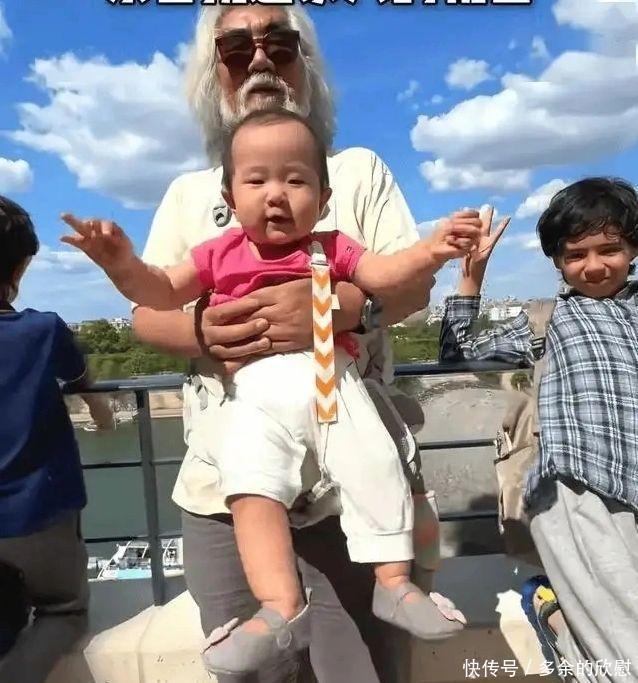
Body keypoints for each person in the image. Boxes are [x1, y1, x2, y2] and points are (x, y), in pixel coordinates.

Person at [62, 108, 478, 675]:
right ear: (229, 199)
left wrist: (433, 249)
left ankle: (393, 581)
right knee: (251, 489)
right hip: (255, 400)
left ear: (323, 199)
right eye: (256, 180)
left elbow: (386, 276)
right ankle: (280, 605)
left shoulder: (335, 247)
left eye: (295, 180)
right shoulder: (217, 254)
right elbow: (159, 292)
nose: (276, 194)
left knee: (376, 464)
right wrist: (120, 264)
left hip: (334, 385)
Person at [130, 5, 461, 682]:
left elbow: (409, 289)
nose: (259, 60)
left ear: (307, 65)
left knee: (361, 668)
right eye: (235, 50)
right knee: (253, 669)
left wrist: (335, 306)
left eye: (280, 45)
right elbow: (146, 313)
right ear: (212, 75)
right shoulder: (188, 194)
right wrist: (201, 330)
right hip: (225, 489)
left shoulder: (358, 171)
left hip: (348, 485)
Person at [440, 180, 638, 681]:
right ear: (556, 260)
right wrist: (472, 277)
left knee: (609, 640)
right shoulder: (544, 321)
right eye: (576, 255)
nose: (594, 266)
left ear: (633, 249)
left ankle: (552, 616)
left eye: (610, 249)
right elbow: (458, 352)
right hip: (579, 489)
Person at [0, 196, 113, 683]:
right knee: (64, 611)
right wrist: (102, 414)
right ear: (22, 267)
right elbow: (81, 378)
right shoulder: (41, 330)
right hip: (38, 511)